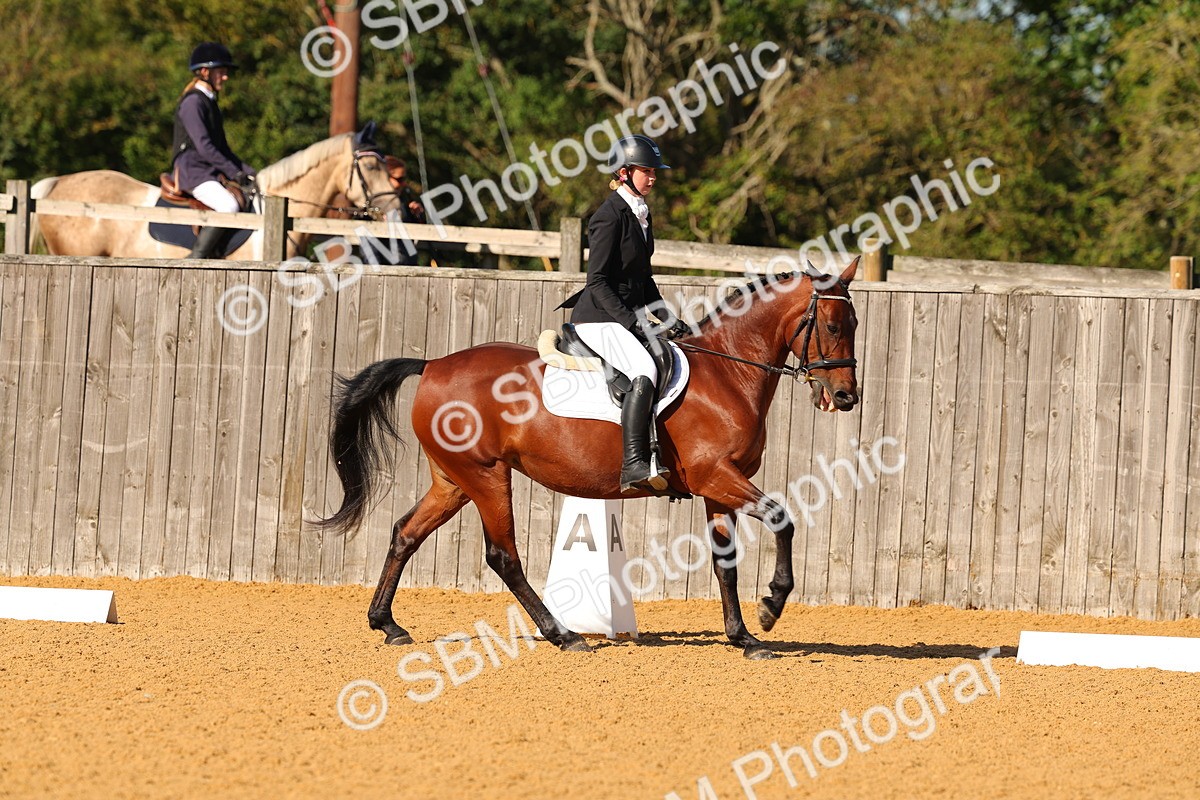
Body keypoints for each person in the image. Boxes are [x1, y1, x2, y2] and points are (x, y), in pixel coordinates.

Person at [567, 134, 690, 494]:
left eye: (654, 172)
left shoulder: (640, 212)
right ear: (624, 173)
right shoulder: (608, 216)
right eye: (646, 171)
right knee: (644, 368)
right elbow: (598, 281)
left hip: (622, 314)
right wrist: (631, 321)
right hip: (598, 317)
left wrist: (667, 317)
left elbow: (643, 279)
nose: (653, 178)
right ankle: (634, 463)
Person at [169, 42, 257, 259]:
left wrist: (250, 172)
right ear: (205, 72)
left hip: (207, 169)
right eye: (222, 72)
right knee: (228, 205)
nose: (225, 77)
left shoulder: (210, 102)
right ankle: (194, 260)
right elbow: (205, 146)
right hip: (193, 170)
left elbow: (223, 149)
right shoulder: (193, 103)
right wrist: (234, 172)